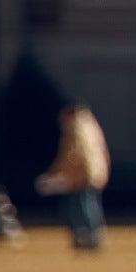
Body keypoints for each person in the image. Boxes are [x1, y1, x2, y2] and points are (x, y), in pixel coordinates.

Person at [35, 101, 112, 251]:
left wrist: (55, 172)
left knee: (78, 207)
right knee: (89, 205)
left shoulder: (74, 127)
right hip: (93, 172)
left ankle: (86, 237)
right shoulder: (89, 124)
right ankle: (93, 237)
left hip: (81, 174)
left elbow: (70, 154)